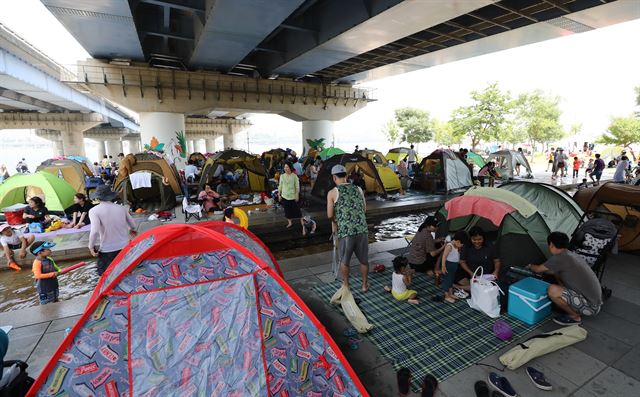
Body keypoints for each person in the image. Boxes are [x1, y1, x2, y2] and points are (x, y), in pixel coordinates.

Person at [527, 232, 602, 325]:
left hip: (590, 307)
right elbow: (552, 271)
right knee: (556, 273)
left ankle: (575, 317)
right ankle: (572, 304)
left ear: (551, 245)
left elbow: (537, 269)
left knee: (552, 290)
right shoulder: (569, 254)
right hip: (595, 301)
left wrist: (530, 266)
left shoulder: (559, 258)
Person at [327, 164, 369, 292]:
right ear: (346, 175)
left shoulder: (332, 193)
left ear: (334, 177)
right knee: (364, 260)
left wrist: (335, 221)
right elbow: (364, 209)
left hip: (346, 231)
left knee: (345, 261)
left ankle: (346, 285)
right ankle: (364, 285)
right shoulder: (358, 189)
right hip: (362, 229)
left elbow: (329, 215)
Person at [88, 185, 137, 276]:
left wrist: (91, 246)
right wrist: (131, 230)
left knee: (105, 277)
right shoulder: (121, 208)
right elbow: (133, 225)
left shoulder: (94, 211)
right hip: (125, 248)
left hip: (107, 250)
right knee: (127, 274)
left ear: (98, 197)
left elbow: (94, 231)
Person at [457, 227, 501, 291]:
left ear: (483, 238)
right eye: (474, 239)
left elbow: (497, 261)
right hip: (470, 274)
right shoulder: (466, 246)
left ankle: (460, 287)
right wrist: (471, 273)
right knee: (455, 272)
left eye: (479, 239)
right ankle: (470, 286)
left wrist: (496, 271)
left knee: (480, 287)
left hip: (486, 275)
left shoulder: (489, 245)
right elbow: (462, 261)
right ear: (470, 238)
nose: (477, 242)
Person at [439, 231, 468, 303]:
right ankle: (446, 295)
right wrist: (443, 266)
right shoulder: (449, 246)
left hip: (454, 266)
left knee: (451, 280)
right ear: (457, 241)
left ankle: (451, 293)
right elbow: (444, 256)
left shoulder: (457, 246)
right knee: (447, 280)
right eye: (462, 244)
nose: (462, 246)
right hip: (448, 265)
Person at [278, 162, 304, 231]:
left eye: (287, 167)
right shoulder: (282, 176)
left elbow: (297, 187)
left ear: (290, 167)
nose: (285, 168)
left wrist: (297, 195)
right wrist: (279, 194)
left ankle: (303, 223)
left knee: (297, 210)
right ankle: (290, 222)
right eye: (285, 167)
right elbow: (280, 186)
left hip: (293, 196)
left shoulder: (294, 176)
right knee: (287, 210)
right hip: (284, 196)